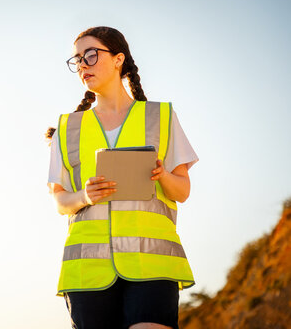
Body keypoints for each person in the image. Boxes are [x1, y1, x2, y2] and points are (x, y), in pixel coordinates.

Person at [45, 26, 199, 329]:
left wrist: (162, 175)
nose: (83, 65)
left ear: (118, 59)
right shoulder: (67, 127)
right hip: (87, 271)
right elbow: (60, 200)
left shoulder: (161, 116)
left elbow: (182, 191)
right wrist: (85, 196)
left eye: (91, 55)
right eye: (77, 60)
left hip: (153, 264)